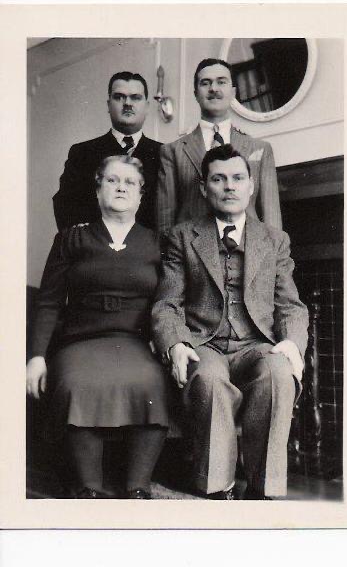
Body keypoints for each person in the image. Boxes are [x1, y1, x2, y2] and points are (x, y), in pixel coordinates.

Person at [152, 144, 308, 500]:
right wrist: (176, 343)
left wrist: (292, 345)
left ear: (251, 185)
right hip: (203, 343)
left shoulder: (274, 239)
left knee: (277, 373)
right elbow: (166, 302)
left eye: (238, 178)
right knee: (207, 379)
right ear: (205, 188)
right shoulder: (182, 236)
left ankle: (263, 489)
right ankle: (217, 488)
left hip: (255, 345)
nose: (229, 186)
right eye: (219, 179)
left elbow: (292, 305)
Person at [27, 155, 169, 499]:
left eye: (129, 182)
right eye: (112, 180)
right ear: (97, 189)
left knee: (152, 382)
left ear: (140, 195)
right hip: (80, 341)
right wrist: (36, 357)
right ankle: (88, 488)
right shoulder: (70, 240)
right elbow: (48, 302)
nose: (121, 187)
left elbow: (168, 303)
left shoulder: (158, 244)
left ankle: (138, 486)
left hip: (136, 341)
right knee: (77, 383)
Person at [157, 58, 282, 240]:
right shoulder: (172, 152)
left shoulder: (260, 149)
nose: (213, 88)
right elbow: (165, 224)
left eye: (221, 82)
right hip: (191, 256)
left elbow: (272, 221)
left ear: (232, 92)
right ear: (195, 93)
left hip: (248, 255)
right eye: (205, 83)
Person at [53, 71, 161, 231]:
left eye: (136, 97)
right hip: (95, 250)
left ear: (146, 106)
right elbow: (66, 204)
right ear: (108, 105)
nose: (127, 103)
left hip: (149, 251)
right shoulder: (82, 153)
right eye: (119, 97)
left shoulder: (165, 153)